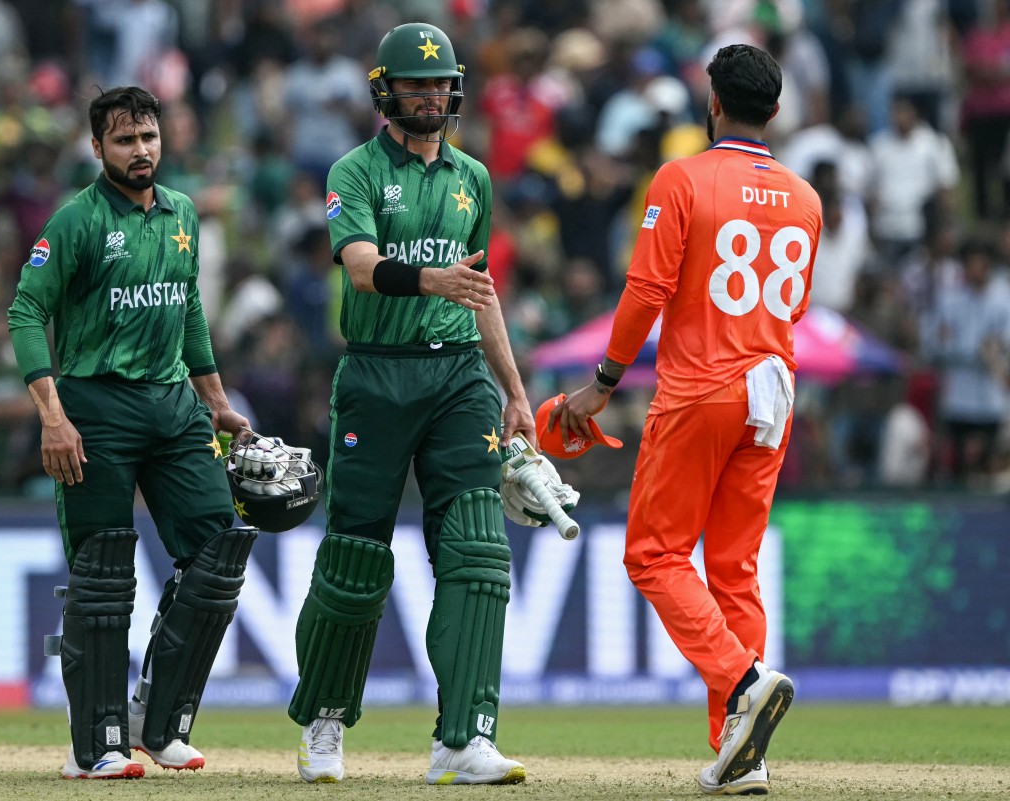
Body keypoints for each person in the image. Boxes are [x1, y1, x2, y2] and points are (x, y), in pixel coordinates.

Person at [549, 44, 821, 796]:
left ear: (712, 103)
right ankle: (743, 751)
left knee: (654, 554)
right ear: (773, 110)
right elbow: (792, 307)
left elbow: (645, 291)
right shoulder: (805, 196)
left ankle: (742, 684)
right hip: (774, 388)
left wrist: (602, 382)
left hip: (703, 385)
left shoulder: (683, 177)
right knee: (733, 565)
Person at [288, 21, 534, 786]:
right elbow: (361, 267)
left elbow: (480, 290)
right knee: (356, 559)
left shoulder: (474, 177)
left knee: (478, 552)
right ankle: (325, 720)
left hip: (459, 376)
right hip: (377, 374)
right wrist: (435, 282)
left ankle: (464, 737)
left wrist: (515, 391)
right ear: (385, 91)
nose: (430, 96)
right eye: (416, 84)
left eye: (440, 84)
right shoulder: (354, 171)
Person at [6, 86, 255, 780]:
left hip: (174, 405)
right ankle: (94, 744)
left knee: (219, 552)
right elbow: (26, 311)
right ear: (97, 148)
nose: (140, 150)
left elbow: (187, 306)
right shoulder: (77, 221)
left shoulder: (182, 214)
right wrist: (53, 414)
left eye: (148, 136)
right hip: (96, 405)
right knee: (104, 571)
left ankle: (158, 719)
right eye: (124, 140)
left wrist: (216, 399)